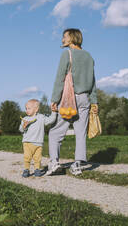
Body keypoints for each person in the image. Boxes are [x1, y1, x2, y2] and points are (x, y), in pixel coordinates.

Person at [46, 28, 98, 176]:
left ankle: (54, 163)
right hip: (85, 98)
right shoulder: (89, 56)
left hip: (70, 98)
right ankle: (77, 165)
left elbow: (60, 78)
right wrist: (94, 102)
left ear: (72, 38)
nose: (62, 39)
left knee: (55, 131)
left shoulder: (67, 54)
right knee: (80, 132)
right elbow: (93, 81)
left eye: (65, 37)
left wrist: (55, 99)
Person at [19, 99, 57, 178]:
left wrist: (54, 112)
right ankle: (26, 169)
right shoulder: (25, 119)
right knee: (27, 157)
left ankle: (37, 169)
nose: (27, 110)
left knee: (38, 158)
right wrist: (24, 126)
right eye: (26, 108)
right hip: (27, 142)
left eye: (29, 108)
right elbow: (21, 130)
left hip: (38, 143)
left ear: (36, 109)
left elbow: (50, 120)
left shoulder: (41, 117)